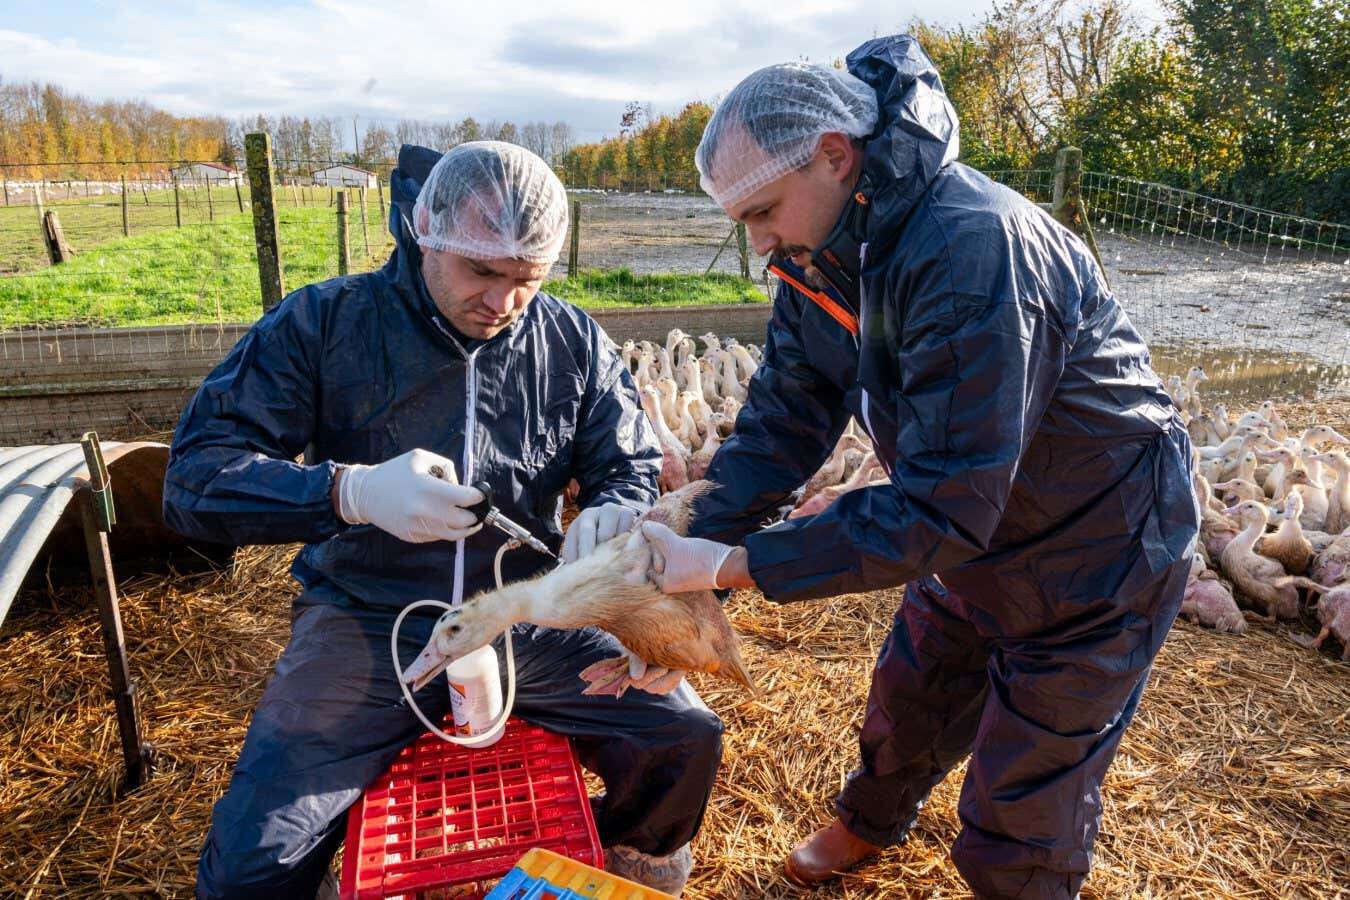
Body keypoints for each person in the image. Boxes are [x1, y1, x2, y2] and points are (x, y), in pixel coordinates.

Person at [638, 35, 1199, 899]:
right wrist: (693, 563)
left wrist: (739, 564)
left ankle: (1019, 877)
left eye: (762, 212)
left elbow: (945, 504)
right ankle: (869, 821)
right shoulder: (820, 257)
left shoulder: (975, 250)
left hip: (1097, 538)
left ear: (835, 156)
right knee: (914, 693)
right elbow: (785, 418)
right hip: (970, 521)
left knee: (1029, 788)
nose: (756, 245)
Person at [164, 141, 720, 899]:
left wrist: (612, 508)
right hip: (367, 615)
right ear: (423, 230)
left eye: (527, 280)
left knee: (683, 736)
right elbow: (195, 479)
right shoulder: (328, 323)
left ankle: (625, 858)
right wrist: (345, 493)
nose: (502, 303)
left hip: (527, 608)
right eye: (482, 272)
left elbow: (623, 457)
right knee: (253, 866)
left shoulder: (569, 340)